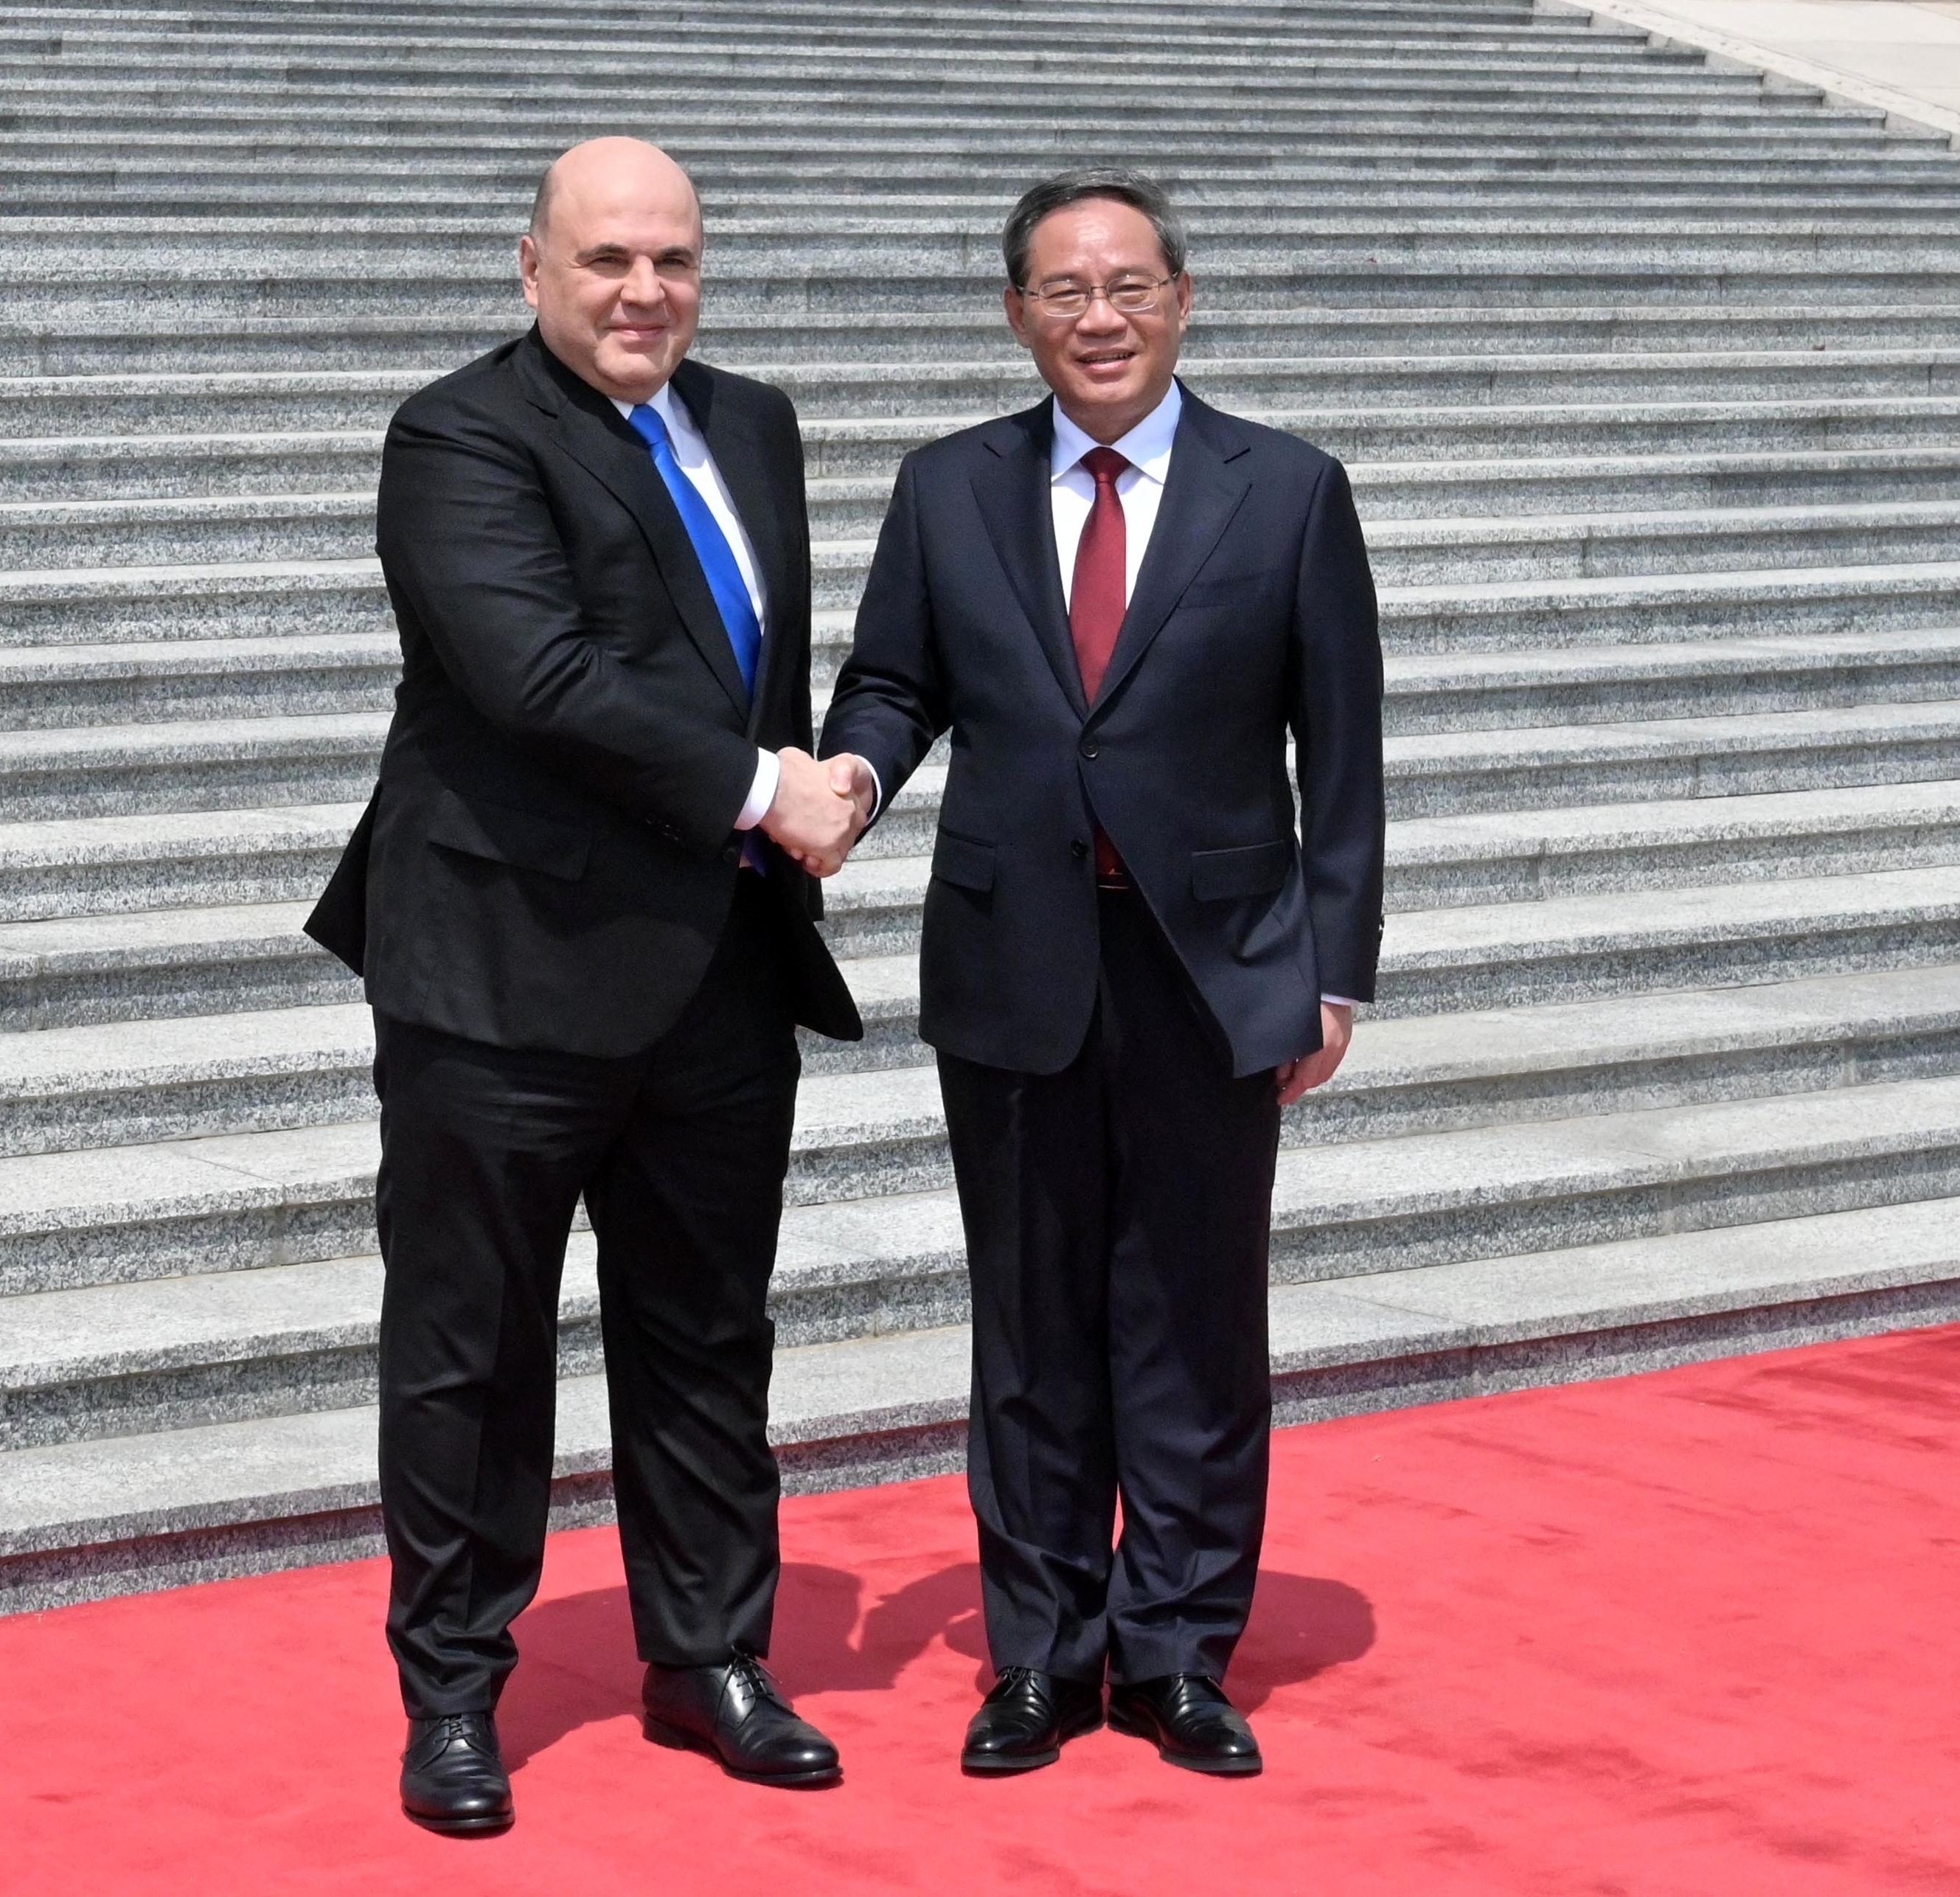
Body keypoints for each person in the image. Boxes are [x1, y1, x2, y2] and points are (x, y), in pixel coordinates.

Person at [305, 135, 869, 1836]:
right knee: (470, 1350)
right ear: (533, 268)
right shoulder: (462, 433)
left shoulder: (755, 422)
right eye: (609, 259)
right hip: (501, 975)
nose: (645, 292)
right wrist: (773, 788)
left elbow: (756, 657)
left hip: (715, 966)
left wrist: (815, 783)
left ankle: (709, 1656)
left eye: (675, 260)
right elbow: (536, 676)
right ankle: (456, 1690)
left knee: (708, 1334)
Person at [819, 167, 1385, 1778]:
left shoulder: (1283, 490)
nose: (1100, 317)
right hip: (1015, 963)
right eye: (1064, 292)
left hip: (1216, 964)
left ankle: (1180, 1650)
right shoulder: (948, 488)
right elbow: (893, 678)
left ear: (1183, 299)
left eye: (1129, 285)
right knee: (1032, 1322)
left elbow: (1341, 752)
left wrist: (1334, 968)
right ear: (1018, 316)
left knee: (1195, 1320)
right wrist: (858, 778)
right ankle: (1041, 1654)